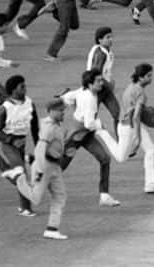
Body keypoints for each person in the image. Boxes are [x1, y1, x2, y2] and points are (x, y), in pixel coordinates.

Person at [95, 63, 154, 193]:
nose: (151, 78)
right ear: (140, 77)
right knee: (121, 158)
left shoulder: (130, 87)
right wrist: (138, 137)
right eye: (148, 76)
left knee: (150, 149)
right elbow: (136, 117)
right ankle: (101, 131)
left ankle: (150, 184)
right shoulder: (140, 94)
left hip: (126, 125)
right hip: (128, 127)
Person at [10, 97, 69, 239]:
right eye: (60, 111)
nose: (63, 113)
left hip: (54, 167)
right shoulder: (49, 128)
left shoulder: (55, 124)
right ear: (51, 111)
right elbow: (40, 149)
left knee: (60, 196)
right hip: (44, 167)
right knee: (36, 199)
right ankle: (18, 177)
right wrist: (40, 169)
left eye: (63, 110)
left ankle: (52, 229)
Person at [59, 69, 120, 207]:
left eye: (101, 79)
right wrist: (100, 125)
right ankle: (35, 185)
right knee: (60, 166)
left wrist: (71, 105)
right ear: (90, 84)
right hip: (77, 136)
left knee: (105, 159)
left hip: (85, 135)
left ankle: (104, 196)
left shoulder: (82, 90)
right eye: (98, 81)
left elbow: (68, 97)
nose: (101, 83)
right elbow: (89, 123)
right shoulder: (91, 99)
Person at [0, 74, 39, 216]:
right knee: (21, 176)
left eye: (24, 86)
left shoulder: (30, 103)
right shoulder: (5, 108)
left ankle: (24, 207)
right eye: (22, 87)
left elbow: (35, 126)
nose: (25, 89)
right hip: (8, 144)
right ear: (13, 90)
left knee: (22, 175)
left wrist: (39, 146)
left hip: (21, 144)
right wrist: (11, 140)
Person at [85, 27, 121, 129]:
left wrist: (109, 81)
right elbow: (96, 74)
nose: (111, 39)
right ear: (99, 40)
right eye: (107, 37)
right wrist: (109, 84)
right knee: (90, 119)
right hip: (95, 89)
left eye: (111, 36)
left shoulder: (106, 51)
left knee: (118, 113)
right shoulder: (100, 54)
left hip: (103, 87)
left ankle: (121, 141)